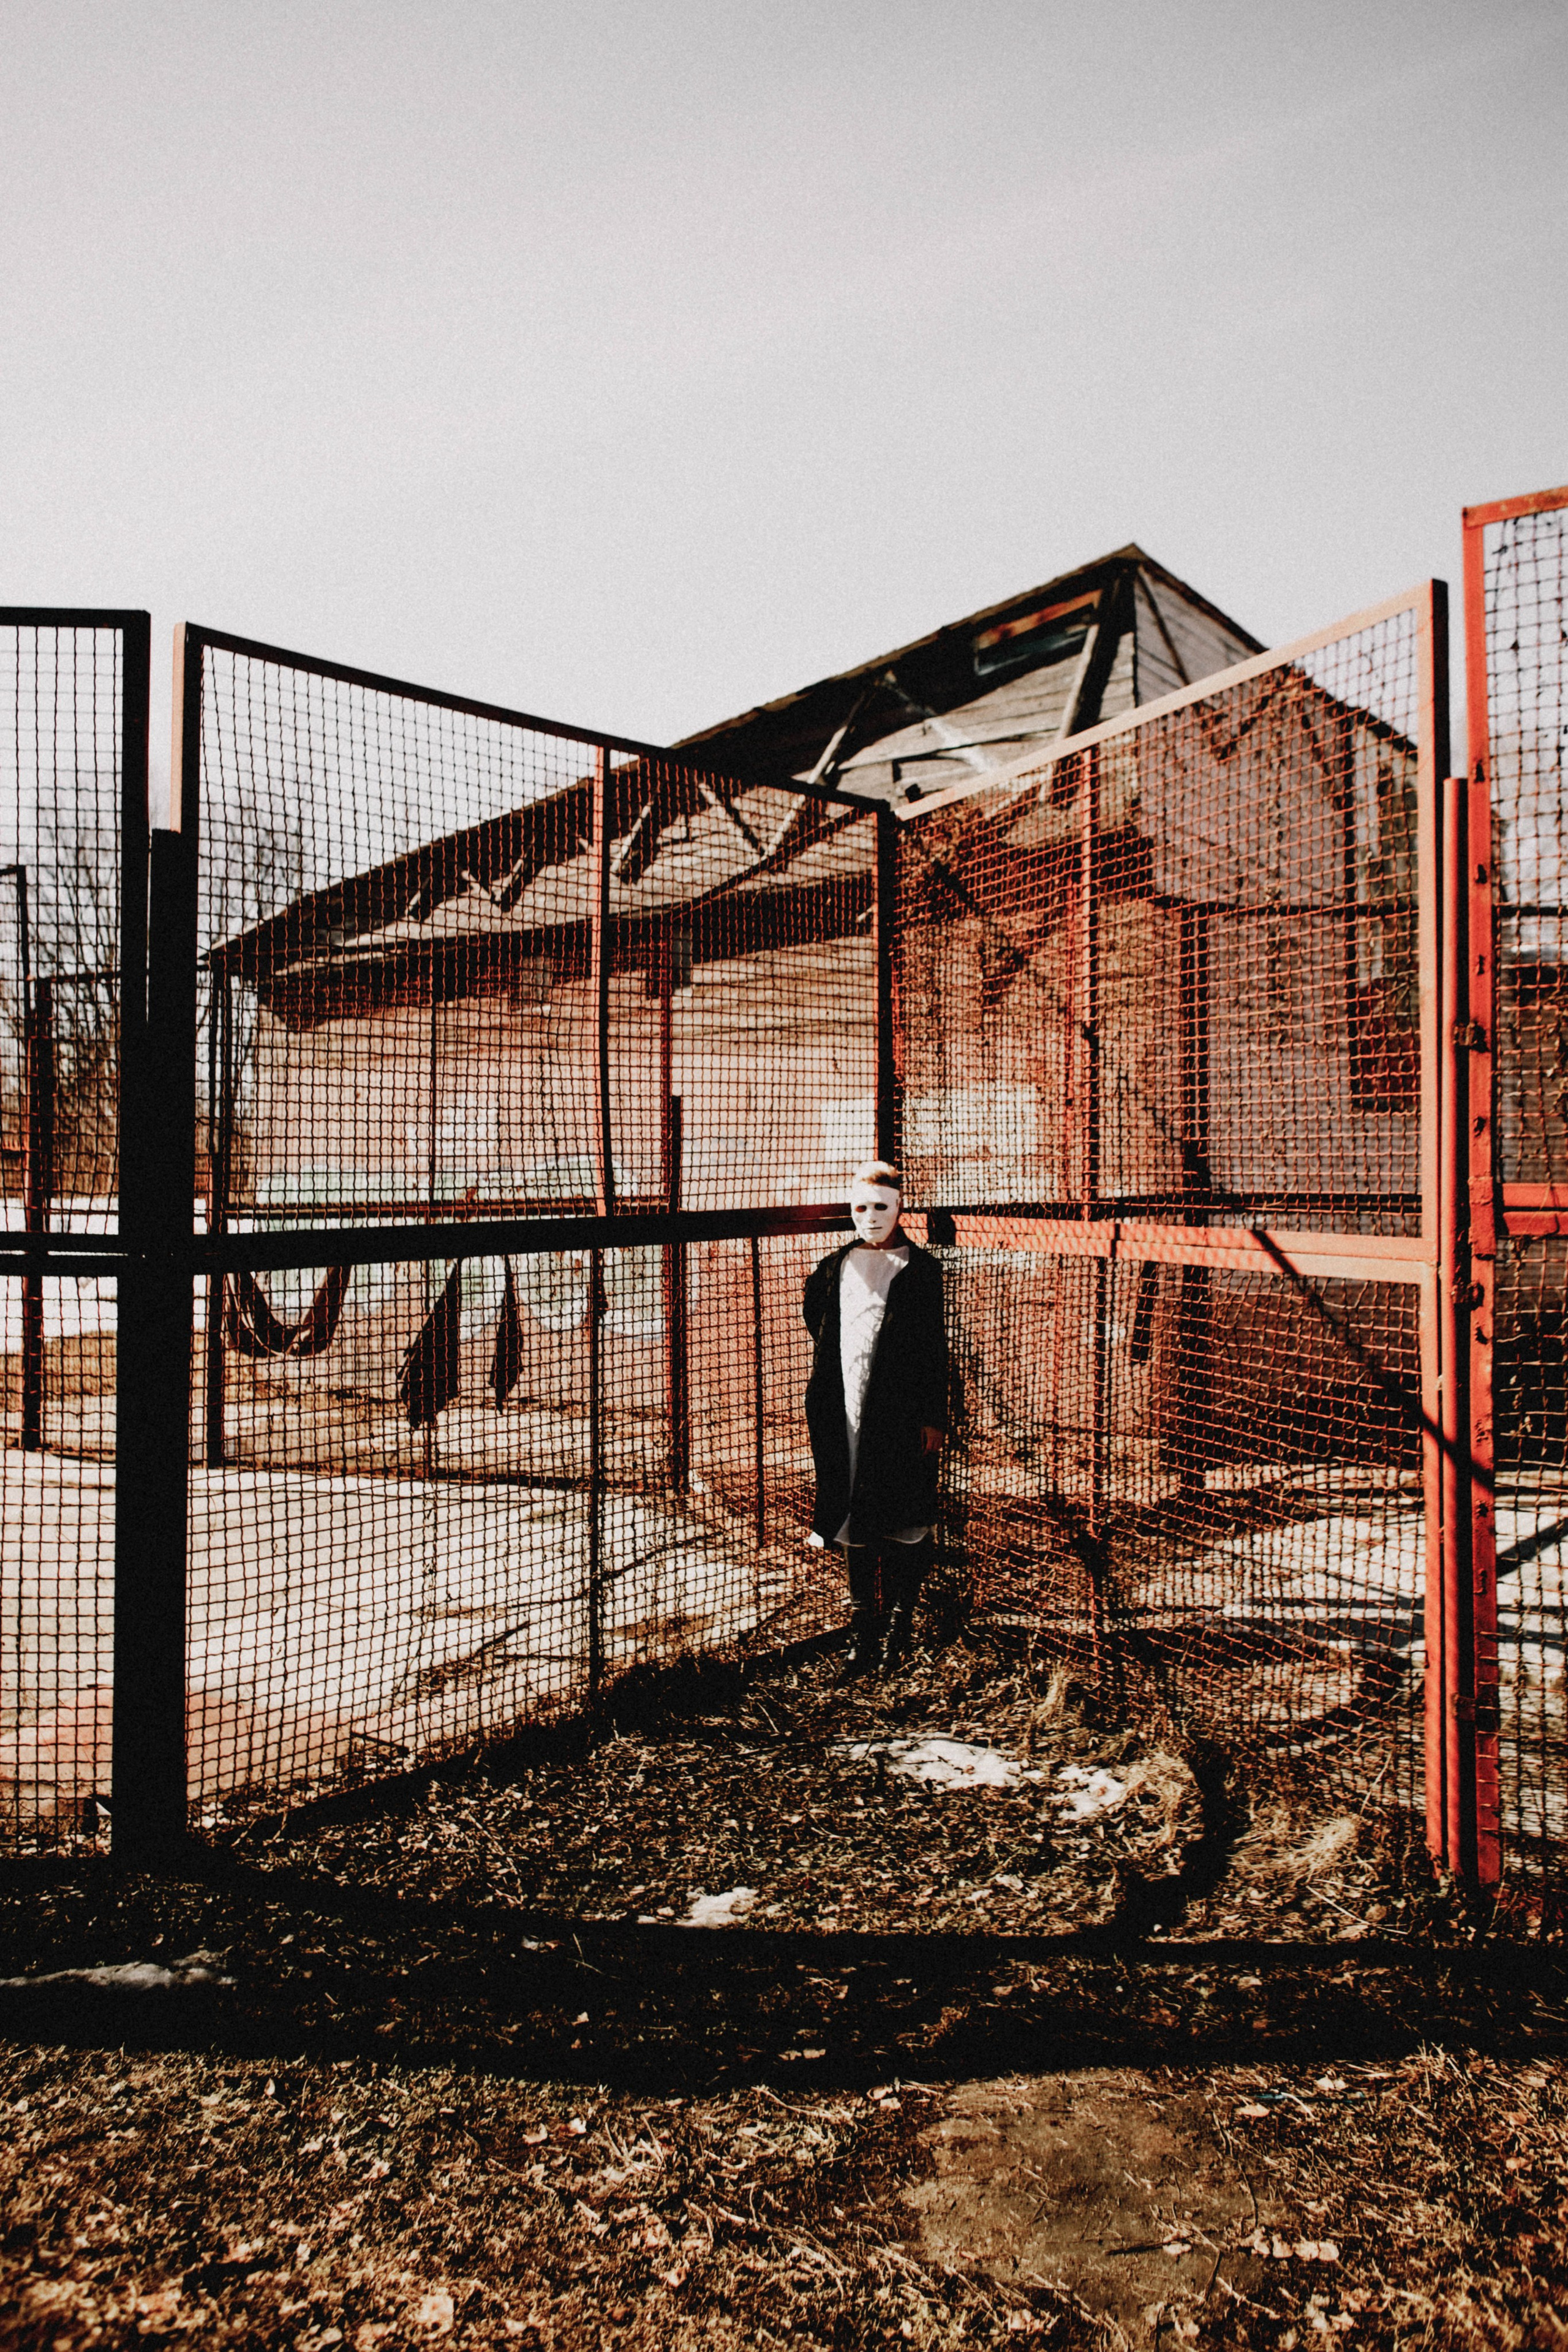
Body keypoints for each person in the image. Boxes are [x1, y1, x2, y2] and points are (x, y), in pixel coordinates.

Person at [803, 1161, 949, 1676]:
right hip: (845, 1409)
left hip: (901, 1414)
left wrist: (933, 1416)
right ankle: (862, 1632)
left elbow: (934, 1349)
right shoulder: (833, 1267)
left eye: (880, 1207)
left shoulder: (923, 1270)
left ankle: (899, 1630)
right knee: (853, 1511)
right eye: (860, 1207)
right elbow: (818, 1321)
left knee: (906, 1512)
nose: (870, 1217)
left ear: (900, 1208)